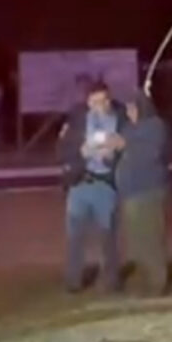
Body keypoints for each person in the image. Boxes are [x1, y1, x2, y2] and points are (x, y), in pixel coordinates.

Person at [57, 81, 127, 293]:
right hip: (79, 184)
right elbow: (61, 150)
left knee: (108, 236)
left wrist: (118, 150)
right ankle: (73, 280)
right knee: (75, 236)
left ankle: (111, 280)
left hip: (105, 184)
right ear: (87, 102)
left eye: (104, 100)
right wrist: (81, 152)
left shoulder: (121, 120)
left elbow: (133, 149)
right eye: (95, 102)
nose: (100, 106)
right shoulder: (77, 120)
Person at [116, 93, 170, 295]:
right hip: (130, 192)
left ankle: (157, 282)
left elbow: (152, 154)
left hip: (149, 190)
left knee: (151, 238)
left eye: (133, 108)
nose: (129, 112)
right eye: (128, 108)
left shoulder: (156, 126)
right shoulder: (129, 127)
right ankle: (144, 278)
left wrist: (125, 145)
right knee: (136, 239)